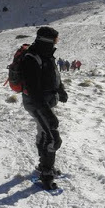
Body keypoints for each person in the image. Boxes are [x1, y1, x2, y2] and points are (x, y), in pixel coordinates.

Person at [21, 26, 68, 190]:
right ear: (48, 40)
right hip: (37, 104)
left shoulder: (46, 54)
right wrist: (49, 115)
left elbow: (54, 75)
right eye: (56, 39)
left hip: (45, 102)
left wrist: (61, 90)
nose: (57, 41)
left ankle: (43, 166)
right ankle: (47, 175)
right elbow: (34, 92)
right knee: (53, 138)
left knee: (44, 133)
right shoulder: (32, 59)